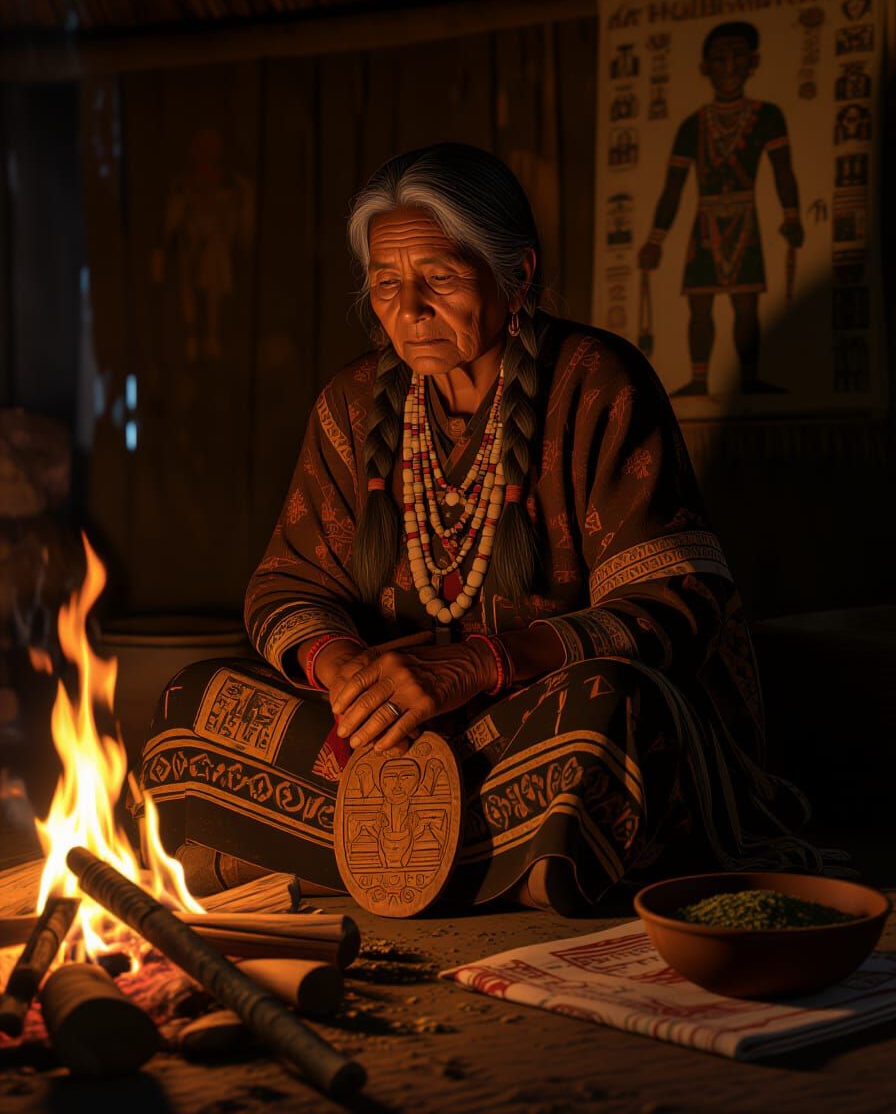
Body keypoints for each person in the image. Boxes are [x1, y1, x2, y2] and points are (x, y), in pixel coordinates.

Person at [136, 142, 829, 916]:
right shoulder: (353, 404)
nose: (410, 310)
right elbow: (288, 583)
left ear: (517, 275)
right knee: (193, 703)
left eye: (439, 278)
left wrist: (475, 667)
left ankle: (318, 855)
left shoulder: (596, 382)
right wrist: (342, 673)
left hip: (522, 724)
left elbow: (676, 599)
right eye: (387, 284)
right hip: (382, 741)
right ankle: (505, 867)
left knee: (614, 707)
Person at [638, 21, 805, 398]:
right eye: (719, 59)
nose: (728, 67)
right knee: (700, 306)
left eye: (737, 57)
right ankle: (699, 380)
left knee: (747, 306)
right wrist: (655, 240)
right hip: (706, 224)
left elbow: (784, 171)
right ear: (704, 67)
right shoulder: (692, 126)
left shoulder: (767, 116)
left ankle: (748, 379)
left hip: (745, 220)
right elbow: (673, 189)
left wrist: (791, 216)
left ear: (753, 62)